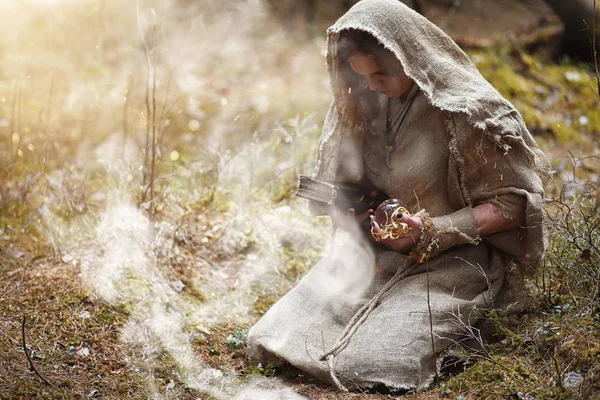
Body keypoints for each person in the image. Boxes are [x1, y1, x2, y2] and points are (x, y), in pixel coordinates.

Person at [247, 0, 552, 392]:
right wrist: (350, 206)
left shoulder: (470, 113)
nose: (371, 85)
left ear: (410, 57)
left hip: (455, 262)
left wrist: (430, 232)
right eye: (361, 74)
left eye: (380, 73)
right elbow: (358, 181)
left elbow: (515, 204)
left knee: (372, 365)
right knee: (275, 338)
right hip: (375, 258)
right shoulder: (363, 99)